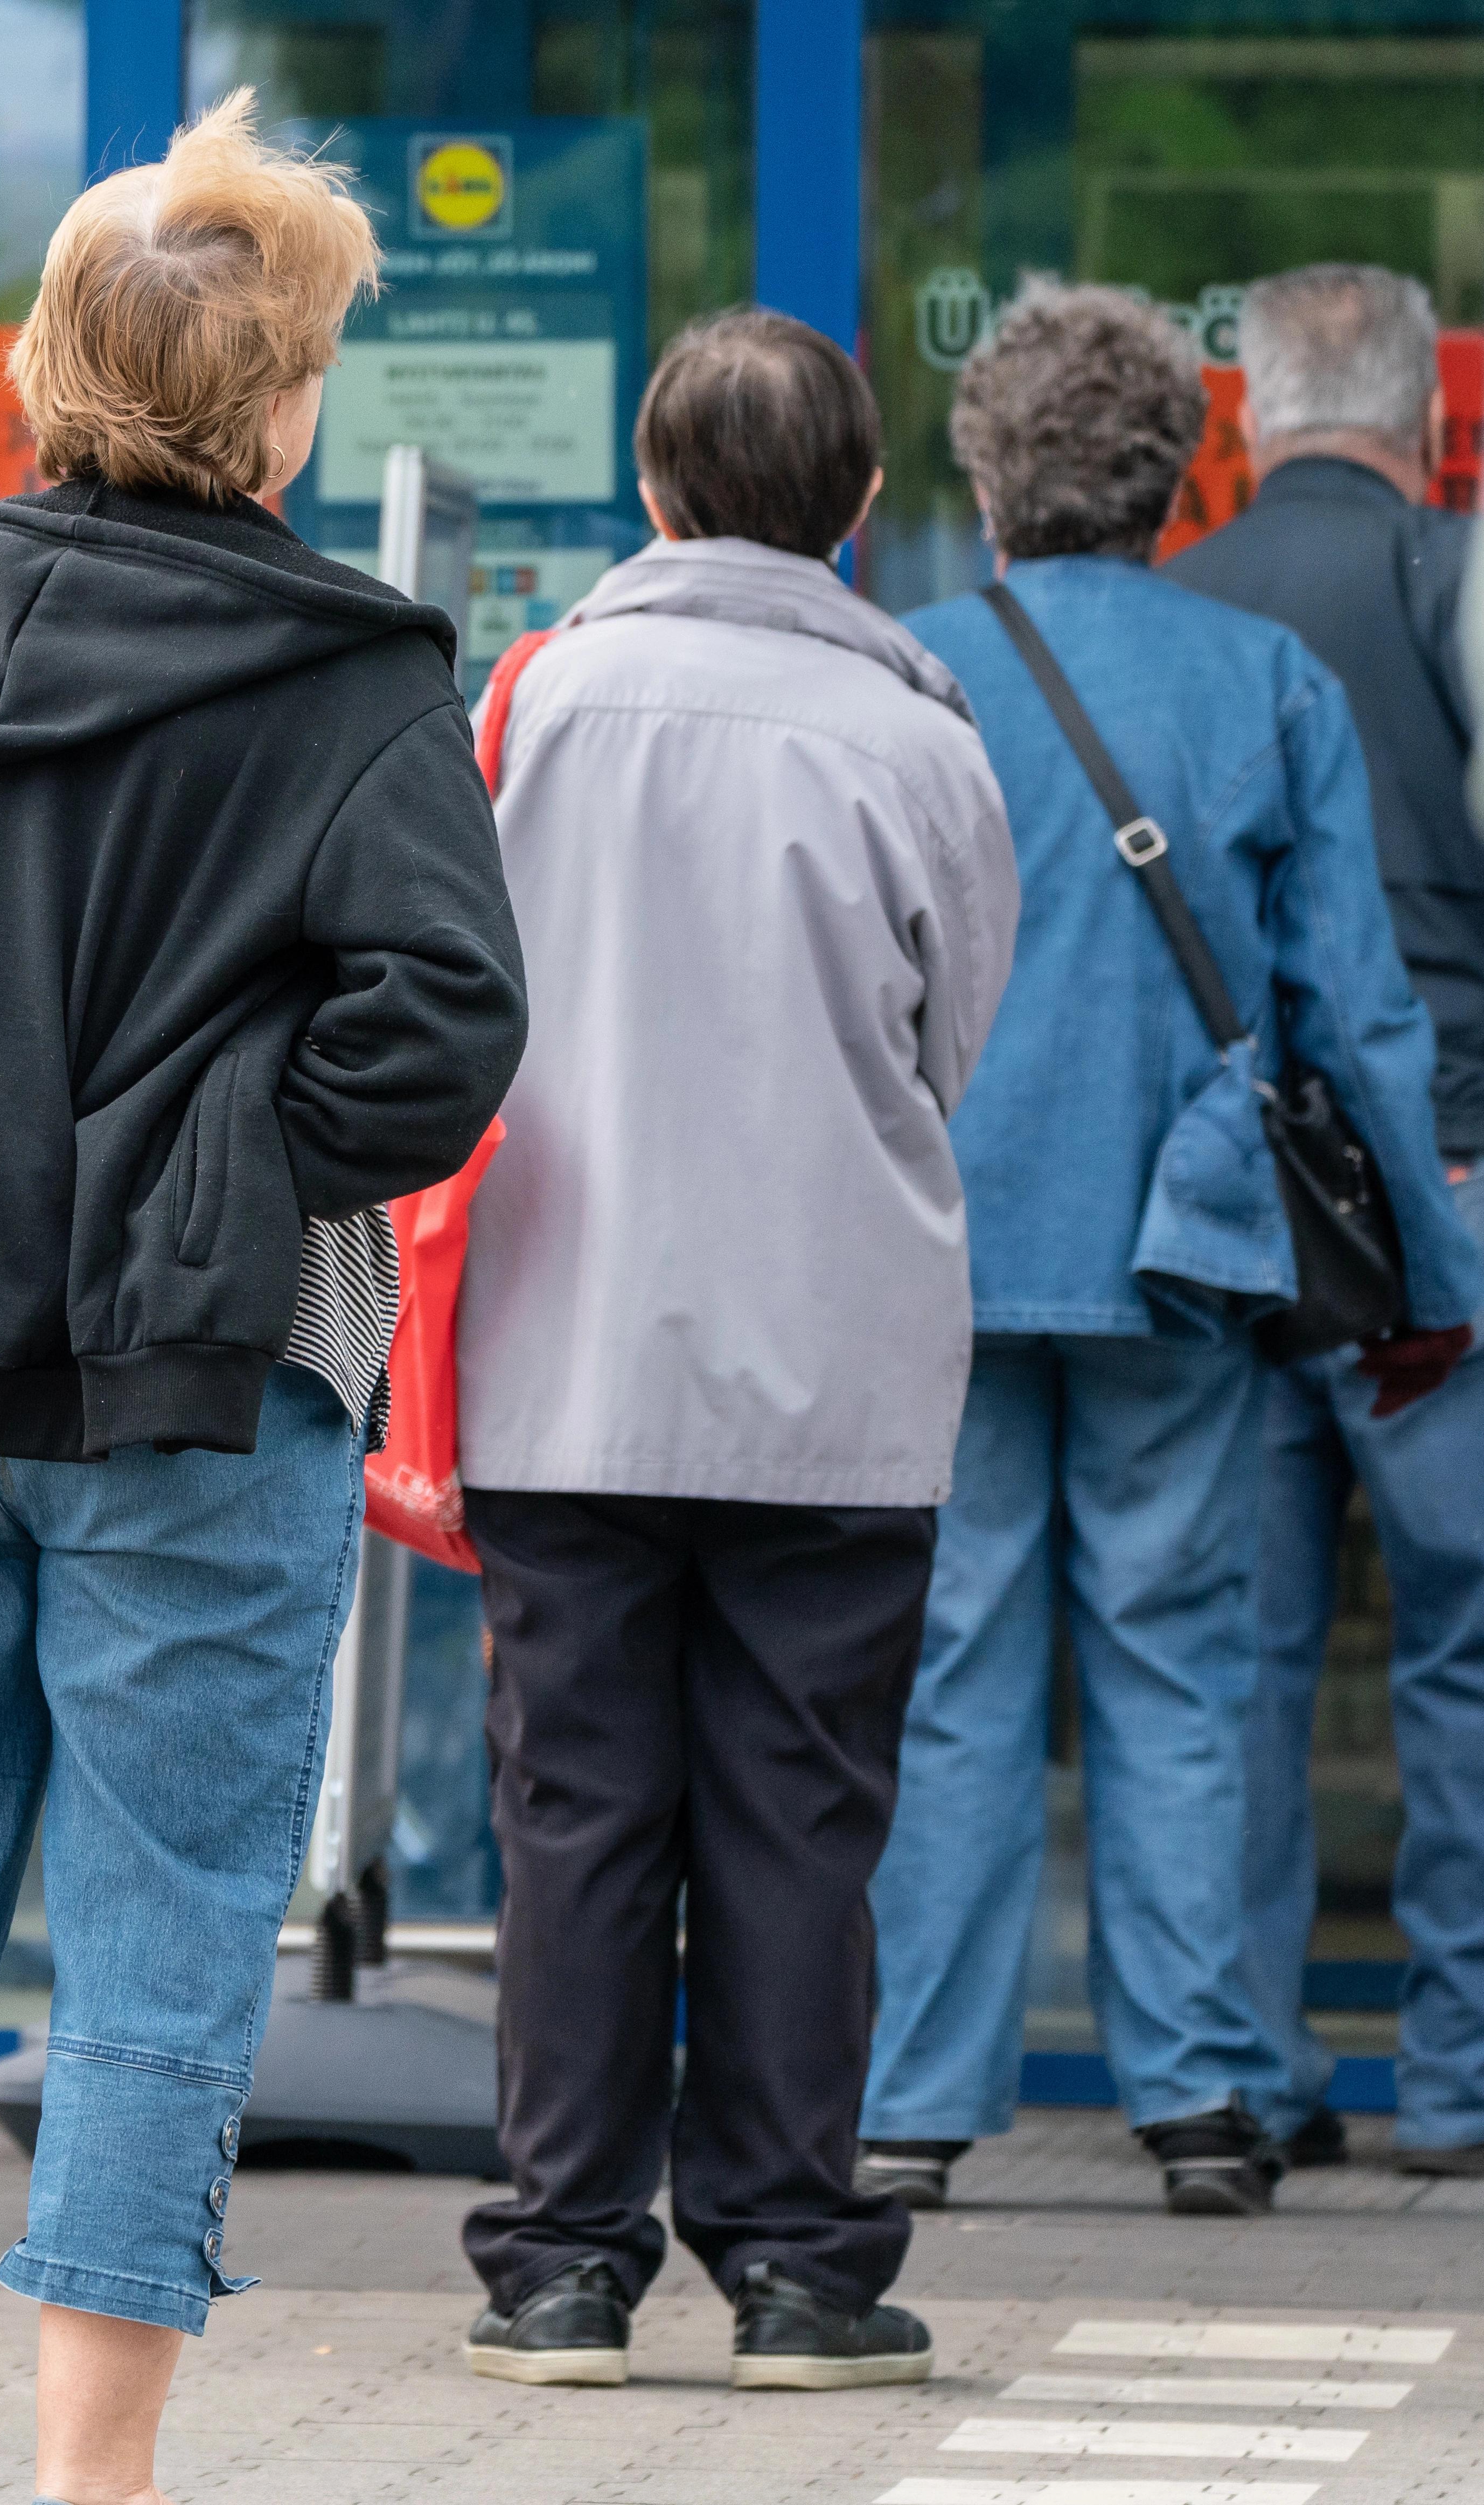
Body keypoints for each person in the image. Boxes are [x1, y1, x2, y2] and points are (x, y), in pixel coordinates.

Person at [0, 93, 525, 2505]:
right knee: (163, 1952)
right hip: (196, 1393)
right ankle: (93, 2485)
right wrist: (243, 1161)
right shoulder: (354, 671)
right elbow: (450, 1023)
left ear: (54, 360)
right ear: (274, 406)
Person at [859, 280, 1482, 2218]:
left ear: (984, 469)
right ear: (1174, 470)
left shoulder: (907, 669)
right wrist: (1435, 1287)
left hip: (946, 1242)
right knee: (1177, 1659)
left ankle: (913, 2097)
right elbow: (1353, 1018)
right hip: (1177, 1251)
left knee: (953, 1666)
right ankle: (1200, 2090)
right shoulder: (1256, 684)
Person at [450, 311, 1018, 2390]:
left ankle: (561, 2269)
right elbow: (952, 1039)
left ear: (651, 484)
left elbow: (453, 1001)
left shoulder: (530, 703)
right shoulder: (919, 736)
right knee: (799, 1814)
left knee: (576, 1806)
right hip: (833, 1350)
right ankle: (798, 2270)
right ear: (864, 505)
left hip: (561, 1347)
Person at [1165, 263, 1484, 2180]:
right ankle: (1453, 2081)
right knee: (1459, 1648)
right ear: (1429, 421)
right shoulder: (1453, 584)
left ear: (1247, 421)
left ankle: (1249, 2073)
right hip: (1444, 1173)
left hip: (1229, 1211)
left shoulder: (1166, 611)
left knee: (1238, 1655)